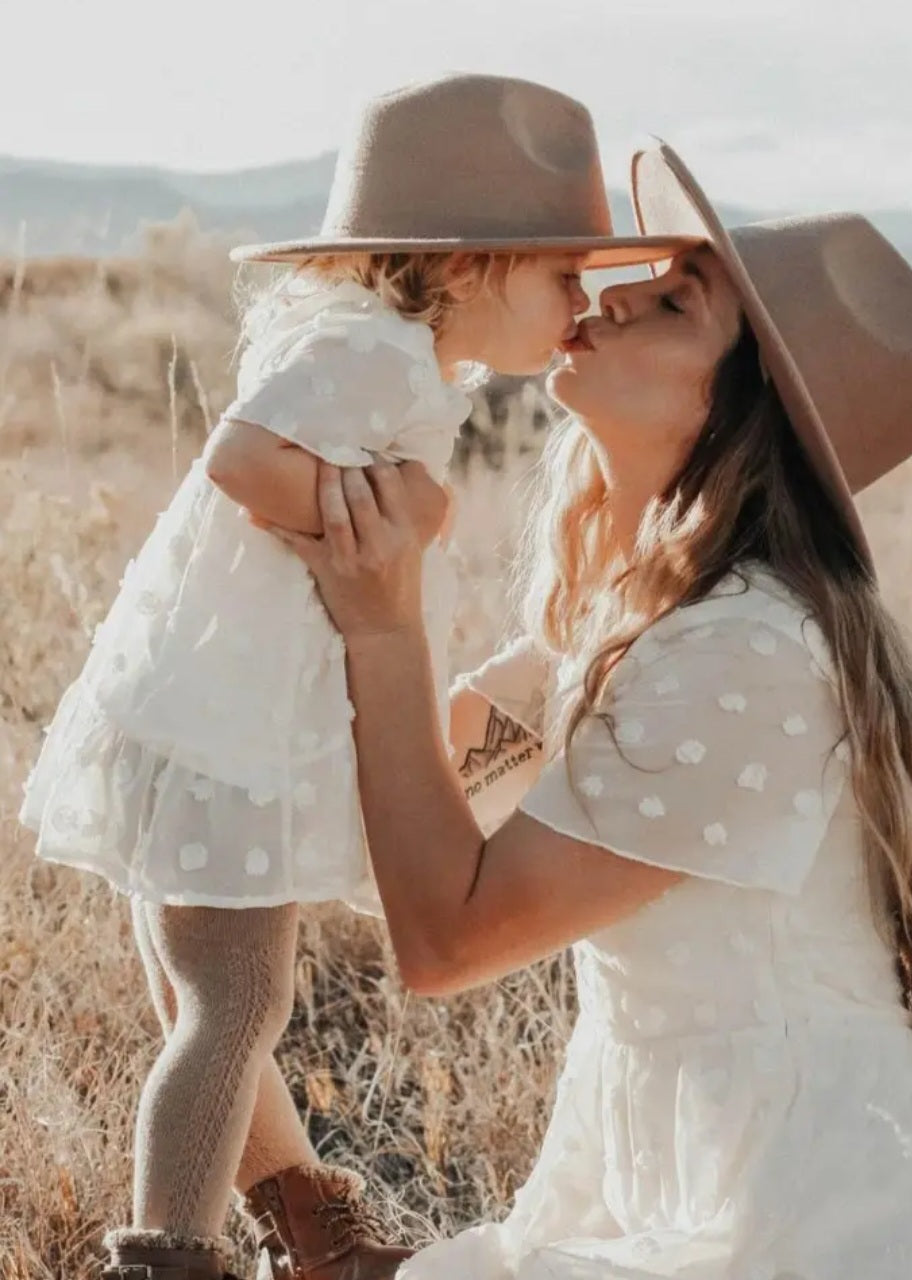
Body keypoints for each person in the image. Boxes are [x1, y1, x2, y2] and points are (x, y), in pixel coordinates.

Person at [269, 141, 912, 1279]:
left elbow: (446, 934)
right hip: (663, 1183)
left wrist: (384, 623)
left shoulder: (746, 656)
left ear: (741, 409)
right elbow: (408, 804)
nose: (614, 297)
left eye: (673, 302)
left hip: (796, 1229)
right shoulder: (628, 623)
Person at [18, 77, 688, 1280]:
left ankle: (310, 1227)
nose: (580, 304)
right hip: (232, 722)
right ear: (472, 264)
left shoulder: (392, 355)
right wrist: (389, 522)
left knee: (211, 1001)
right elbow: (239, 457)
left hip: (202, 706)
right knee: (236, 1005)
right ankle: (167, 1255)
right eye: (561, 276)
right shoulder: (375, 354)